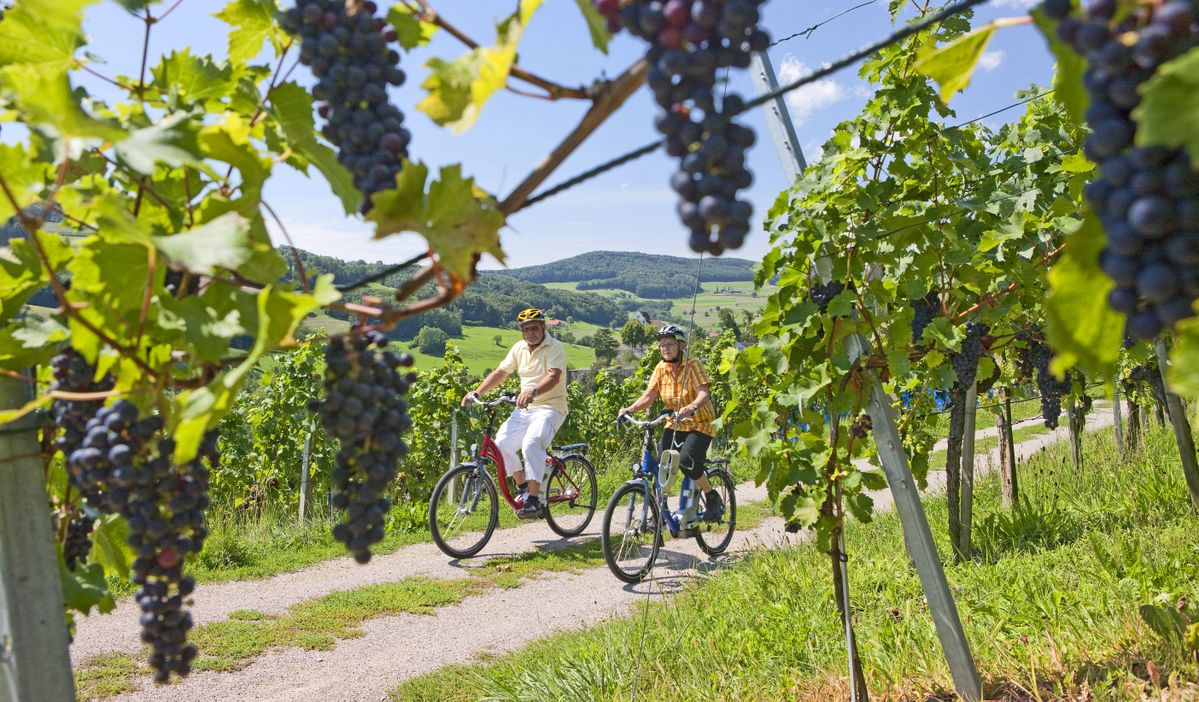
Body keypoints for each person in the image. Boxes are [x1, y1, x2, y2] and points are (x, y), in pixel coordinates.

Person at [462, 308, 567, 519]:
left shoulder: (554, 347)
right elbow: (501, 372)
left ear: (543, 327)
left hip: (551, 407)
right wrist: (477, 392)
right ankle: (524, 487)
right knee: (501, 445)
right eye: (526, 329)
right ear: (521, 332)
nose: (530, 333)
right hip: (525, 408)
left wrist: (533, 391)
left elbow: (554, 376)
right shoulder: (519, 348)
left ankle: (535, 500)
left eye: (535, 328)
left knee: (531, 442)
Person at [618, 324, 723, 522]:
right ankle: (660, 514)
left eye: (670, 344)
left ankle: (711, 496)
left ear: (681, 346)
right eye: (662, 345)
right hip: (674, 425)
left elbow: (704, 393)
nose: (665, 348)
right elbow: (649, 396)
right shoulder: (660, 368)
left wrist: (692, 406)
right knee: (661, 467)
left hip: (699, 423)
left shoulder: (693, 365)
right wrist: (629, 409)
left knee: (687, 462)